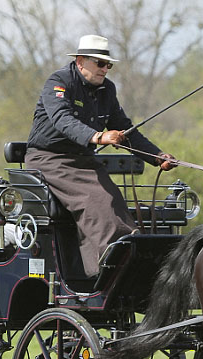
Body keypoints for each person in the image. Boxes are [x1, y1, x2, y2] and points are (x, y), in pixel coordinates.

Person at [25, 34, 175, 277]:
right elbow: (63, 119)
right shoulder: (59, 82)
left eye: (109, 65)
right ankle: (114, 263)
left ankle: (117, 258)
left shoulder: (107, 90)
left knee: (112, 197)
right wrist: (99, 137)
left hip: (82, 161)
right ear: (81, 61)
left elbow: (126, 130)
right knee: (97, 198)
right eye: (100, 63)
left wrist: (157, 156)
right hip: (48, 159)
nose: (105, 69)